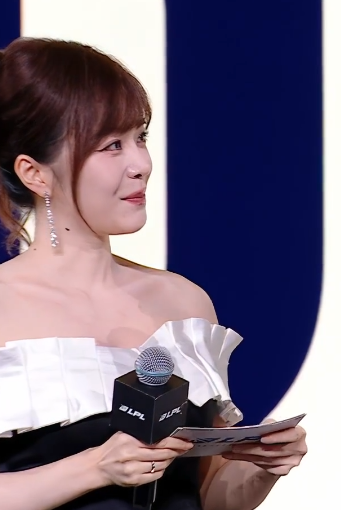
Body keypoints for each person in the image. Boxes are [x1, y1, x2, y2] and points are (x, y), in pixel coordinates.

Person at [0, 37, 307, 510]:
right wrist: (95, 467)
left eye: (140, 138)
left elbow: (208, 496)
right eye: (111, 146)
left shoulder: (182, 302)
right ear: (35, 173)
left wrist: (262, 467)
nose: (141, 165)